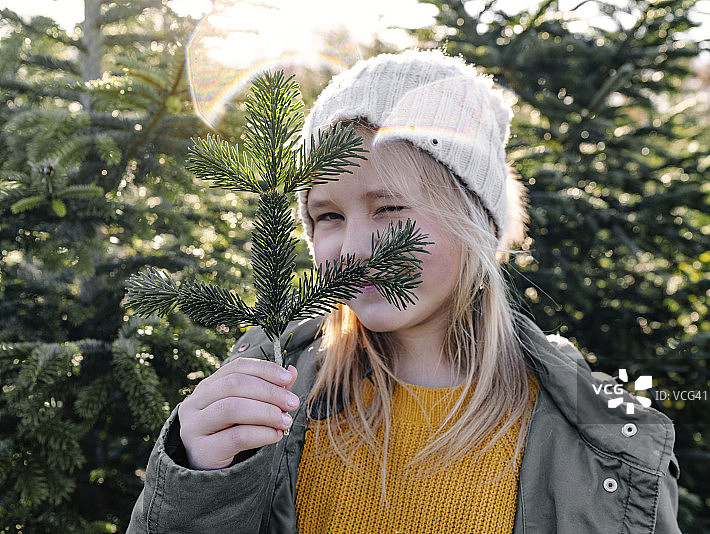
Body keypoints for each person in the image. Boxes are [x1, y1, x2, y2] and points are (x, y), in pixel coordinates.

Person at [127, 49, 681, 533]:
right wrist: (199, 476)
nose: (354, 247)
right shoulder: (276, 396)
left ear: (475, 220)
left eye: (389, 209)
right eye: (327, 216)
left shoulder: (601, 437)